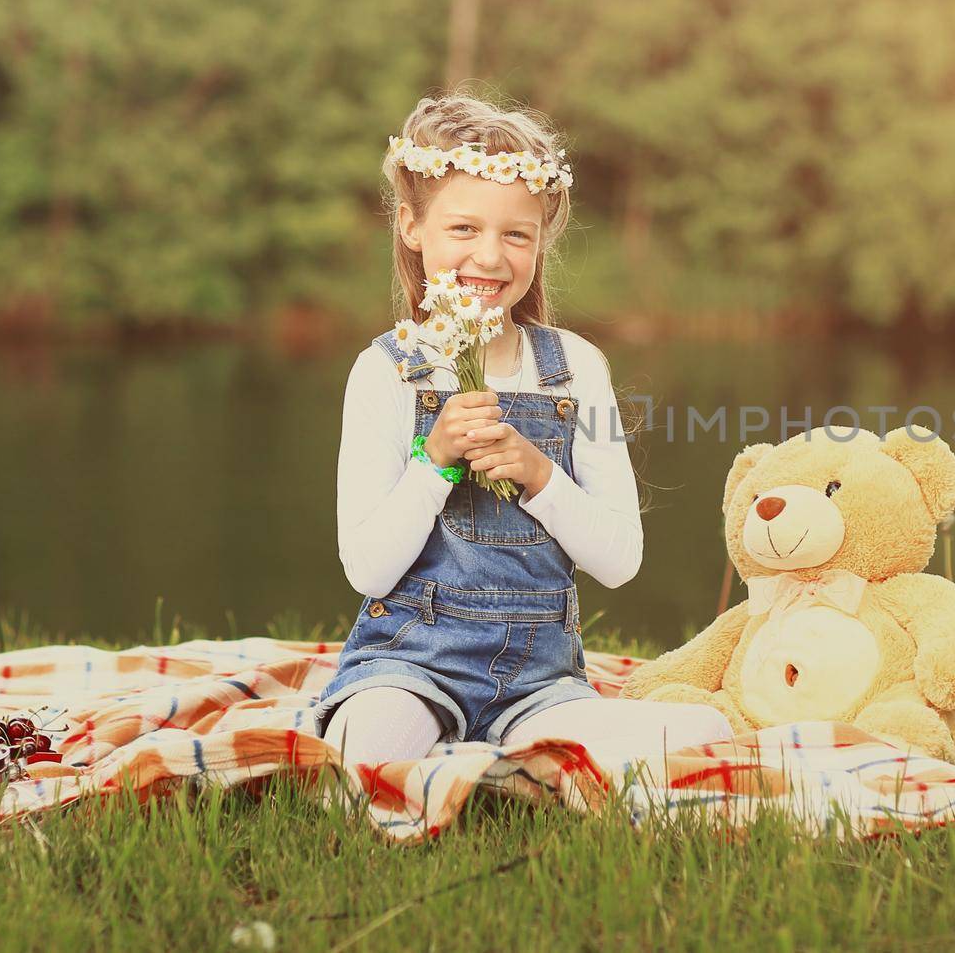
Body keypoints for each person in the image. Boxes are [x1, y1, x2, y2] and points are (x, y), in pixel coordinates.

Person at [313, 91, 732, 770]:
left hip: (537, 680)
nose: (490, 256)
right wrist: (436, 459)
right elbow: (368, 567)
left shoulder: (573, 369)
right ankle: (454, 745)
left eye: (517, 235)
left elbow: (620, 560)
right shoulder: (388, 369)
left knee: (699, 738)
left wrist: (540, 474)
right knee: (366, 757)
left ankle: (507, 746)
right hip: (411, 662)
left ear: (541, 241)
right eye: (463, 229)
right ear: (413, 227)